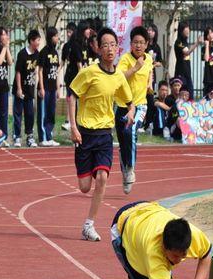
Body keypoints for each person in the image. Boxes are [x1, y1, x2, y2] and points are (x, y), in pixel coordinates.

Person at [68, 27, 134, 242]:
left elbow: (128, 100)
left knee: (103, 177)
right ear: (98, 48)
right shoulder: (89, 72)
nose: (109, 49)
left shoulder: (118, 76)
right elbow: (71, 96)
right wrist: (74, 128)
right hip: (85, 134)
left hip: (105, 134)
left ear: (117, 48)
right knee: (85, 187)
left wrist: (131, 111)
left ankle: (89, 225)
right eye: (104, 45)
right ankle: (88, 220)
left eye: (112, 45)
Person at [110, 201, 213, 279]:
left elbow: (206, 254)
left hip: (150, 208)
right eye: (175, 255)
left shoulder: (195, 236)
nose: (178, 260)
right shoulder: (152, 250)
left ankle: (161, 272)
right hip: (123, 221)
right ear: (163, 247)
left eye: (183, 255)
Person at [115, 26, 153, 194]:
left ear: (146, 45)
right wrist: (135, 68)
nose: (138, 46)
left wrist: (150, 84)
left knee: (130, 132)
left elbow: (149, 72)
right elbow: (120, 77)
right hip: (123, 106)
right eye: (135, 42)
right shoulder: (125, 59)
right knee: (123, 140)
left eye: (141, 43)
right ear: (131, 44)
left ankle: (130, 168)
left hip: (140, 105)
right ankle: (125, 172)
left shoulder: (149, 59)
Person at [12, 29, 40, 148]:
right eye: (38, 40)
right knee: (18, 113)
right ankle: (17, 136)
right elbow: (18, 72)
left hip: (30, 89)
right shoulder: (22, 54)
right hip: (21, 89)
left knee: (29, 114)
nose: (39, 42)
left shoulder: (37, 54)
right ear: (31, 41)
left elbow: (37, 70)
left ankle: (29, 136)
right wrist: (19, 89)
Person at [37, 27, 60, 147]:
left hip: (52, 87)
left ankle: (49, 135)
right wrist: (41, 88)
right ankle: (43, 138)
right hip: (45, 87)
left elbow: (56, 71)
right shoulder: (43, 52)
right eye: (56, 36)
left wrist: (58, 88)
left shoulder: (56, 53)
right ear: (51, 37)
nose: (58, 38)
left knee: (51, 112)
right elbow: (40, 71)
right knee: (43, 113)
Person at [174, 21, 202, 100]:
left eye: (188, 29)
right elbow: (187, 52)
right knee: (182, 94)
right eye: (186, 29)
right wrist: (197, 43)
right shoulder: (178, 42)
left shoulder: (185, 42)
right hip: (181, 72)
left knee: (190, 94)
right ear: (181, 30)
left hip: (187, 73)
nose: (188, 31)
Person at [61, 21, 77, 131]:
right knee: (69, 98)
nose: (68, 34)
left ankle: (75, 121)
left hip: (79, 77)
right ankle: (68, 121)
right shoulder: (66, 46)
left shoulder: (78, 45)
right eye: (67, 32)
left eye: (70, 32)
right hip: (70, 76)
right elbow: (62, 61)